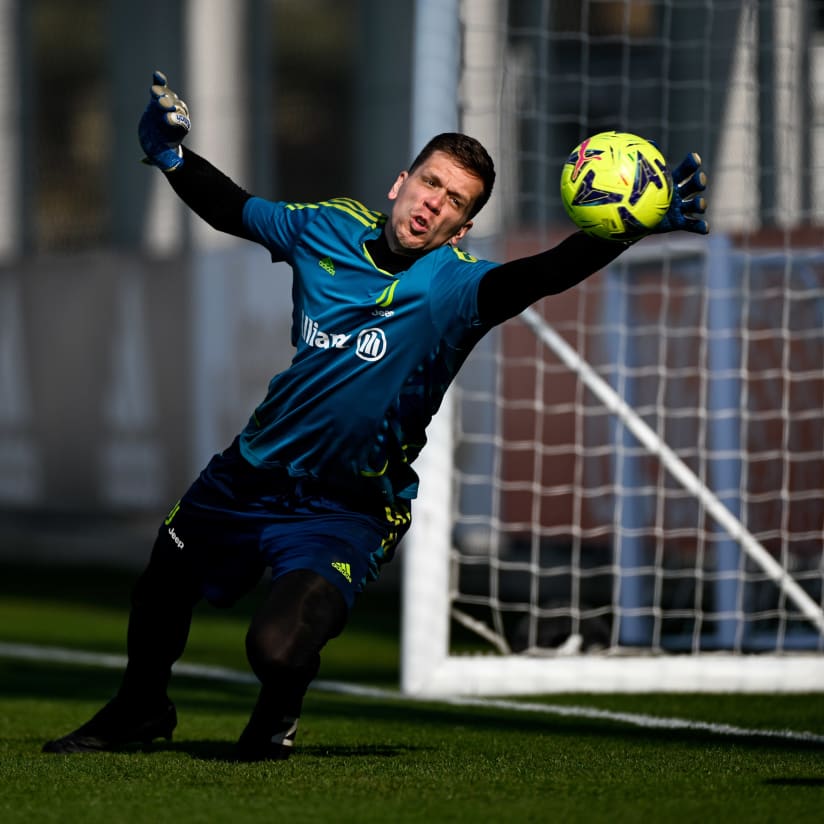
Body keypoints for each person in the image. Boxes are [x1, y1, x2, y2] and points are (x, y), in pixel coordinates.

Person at [43, 71, 708, 760]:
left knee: (275, 647)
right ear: (401, 182)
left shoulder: (457, 287)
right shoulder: (325, 227)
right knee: (163, 580)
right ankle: (139, 707)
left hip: (346, 506)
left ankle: (274, 720)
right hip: (249, 473)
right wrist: (173, 158)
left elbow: (541, 274)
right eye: (430, 183)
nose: (433, 205)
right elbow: (234, 209)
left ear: (464, 227)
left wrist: (619, 235)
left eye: (454, 201)